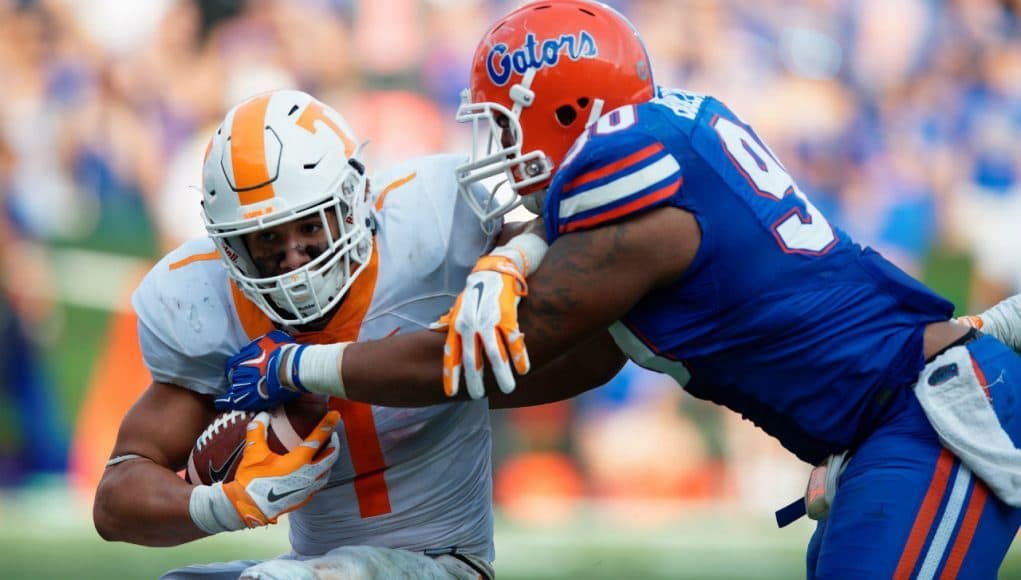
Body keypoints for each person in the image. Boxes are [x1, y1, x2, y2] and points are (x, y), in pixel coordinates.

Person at [215, 2, 1021, 577]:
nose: (494, 147)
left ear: (566, 110)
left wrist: (298, 368)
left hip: (921, 422)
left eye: (503, 121)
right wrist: (511, 260)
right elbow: (579, 361)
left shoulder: (631, 205)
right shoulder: (664, 145)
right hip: (891, 424)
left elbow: (473, 360)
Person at [92, 88, 620, 580]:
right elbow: (116, 498)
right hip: (311, 563)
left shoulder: (433, 227)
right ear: (231, 250)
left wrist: (513, 257)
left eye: (310, 226)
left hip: (445, 562)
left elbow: (573, 245)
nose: (295, 259)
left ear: (355, 202)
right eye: (268, 240)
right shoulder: (205, 304)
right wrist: (224, 505)